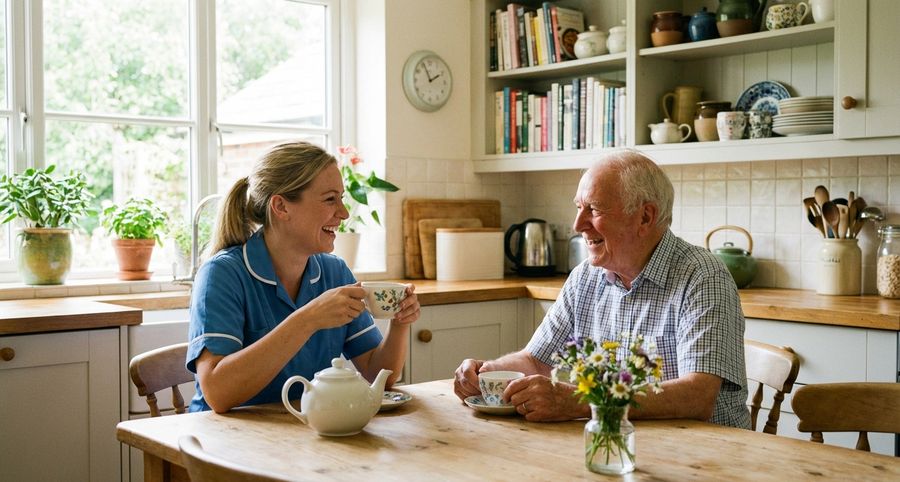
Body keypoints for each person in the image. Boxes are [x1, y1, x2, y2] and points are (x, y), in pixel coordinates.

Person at [454, 150, 750, 429]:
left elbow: (697, 396)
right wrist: (487, 372)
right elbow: (536, 360)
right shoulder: (585, 277)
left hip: (707, 453)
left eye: (593, 209)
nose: (577, 224)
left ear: (645, 217)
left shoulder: (703, 277)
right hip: (618, 443)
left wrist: (580, 402)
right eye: (578, 207)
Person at [187, 141, 419, 413]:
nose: (344, 213)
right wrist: (308, 319)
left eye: (341, 198)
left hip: (303, 428)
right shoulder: (222, 274)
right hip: (223, 435)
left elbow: (377, 376)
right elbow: (217, 394)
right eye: (330, 199)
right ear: (281, 207)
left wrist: (400, 322)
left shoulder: (334, 272)